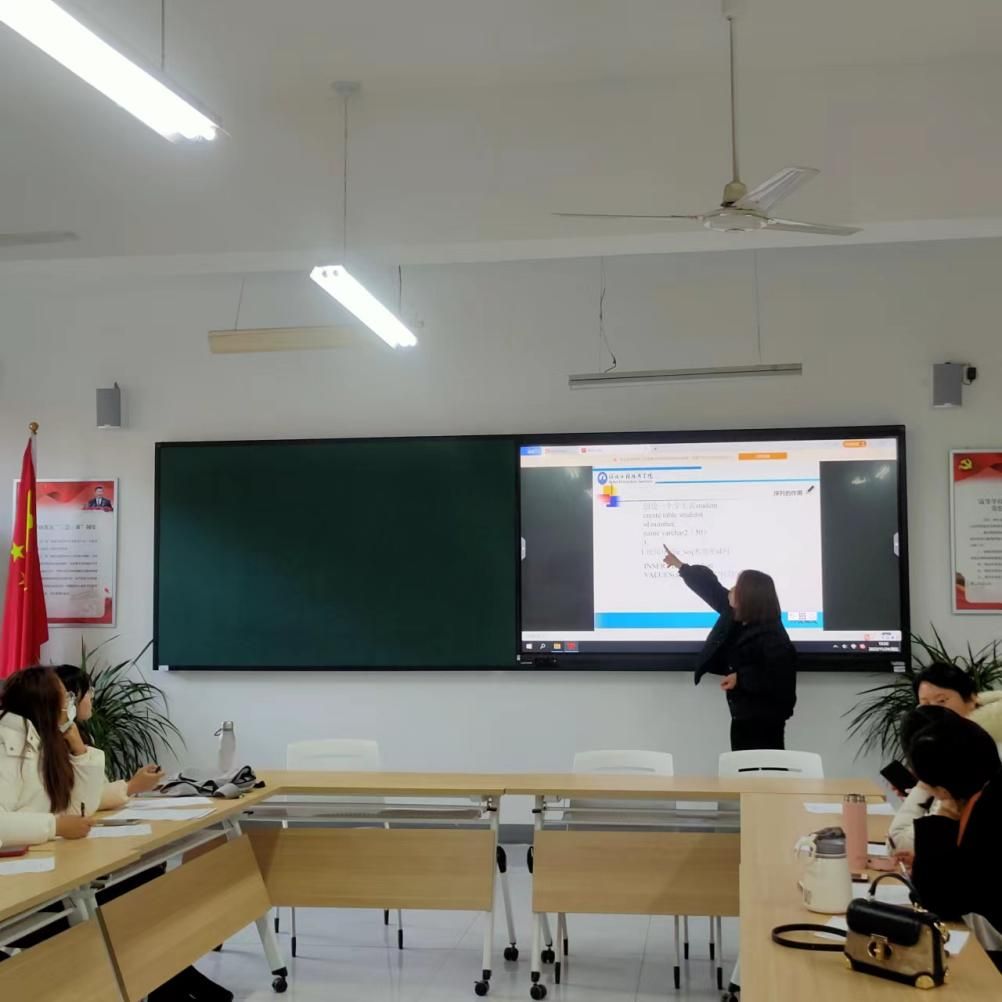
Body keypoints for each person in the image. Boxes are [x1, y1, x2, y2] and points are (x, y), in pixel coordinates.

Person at [662, 547, 797, 751]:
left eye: (737, 587)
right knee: (741, 765)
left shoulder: (772, 635)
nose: (731, 590)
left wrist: (740, 678)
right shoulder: (736, 615)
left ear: (749, 597)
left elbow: (777, 677)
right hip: (743, 714)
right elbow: (711, 589)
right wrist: (681, 567)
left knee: (766, 765)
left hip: (765, 718)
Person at [904, 705, 1002, 969]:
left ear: (942, 789)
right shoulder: (989, 789)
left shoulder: (985, 813)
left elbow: (939, 900)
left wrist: (944, 815)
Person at [887, 662, 1002, 854]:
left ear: (971, 699)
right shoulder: (947, 748)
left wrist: (925, 785)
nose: (933, 710)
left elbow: (898, 842)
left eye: (942, 701)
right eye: (924, 704)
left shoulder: (978, 756)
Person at [0, 666, 100, 845]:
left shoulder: (45, 743)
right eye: (67, 698)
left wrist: (81, 752)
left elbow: (77, 811)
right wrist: (54, 827)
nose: (69, 705)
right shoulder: (7, 743)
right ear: (47, 705)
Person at [54, 664, 163, 809]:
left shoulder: (81, 733)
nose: (92, 697)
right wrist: (131, 786)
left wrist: (134, 784)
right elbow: (80, 800)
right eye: (88, 691)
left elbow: (94, 789)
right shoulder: (57, 739)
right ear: (69, 698)